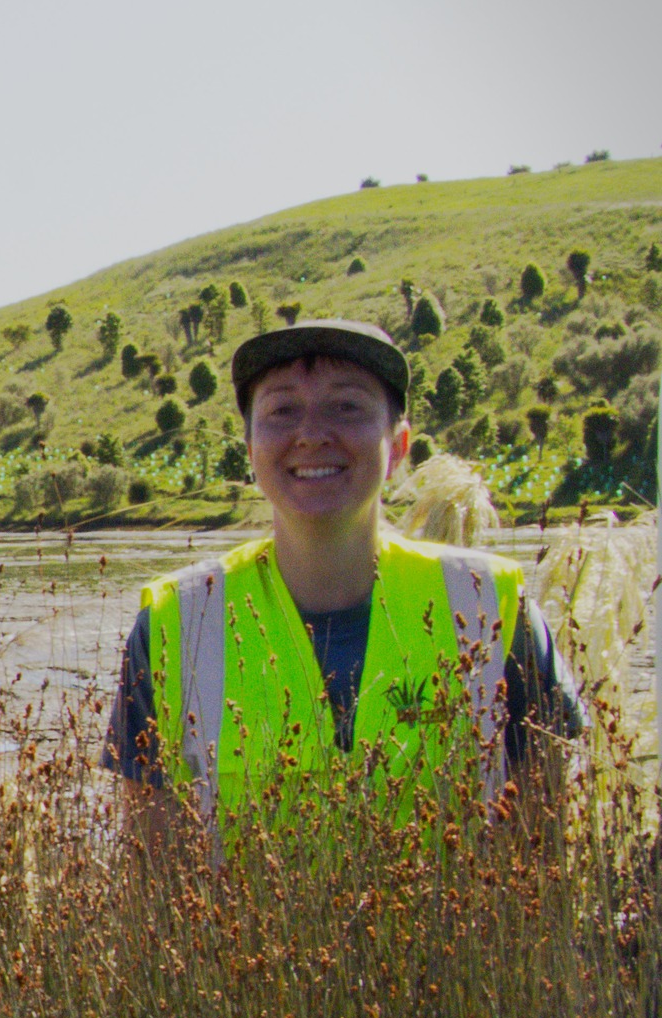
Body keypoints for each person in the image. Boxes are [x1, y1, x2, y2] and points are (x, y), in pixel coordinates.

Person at [104, 320, 581, 848]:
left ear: (398, 446)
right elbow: (155, 885)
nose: (311, 433)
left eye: (346, 407)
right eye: (282, 410)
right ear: (249, 447)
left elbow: (549, 859)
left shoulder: (493, 605)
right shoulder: (174, 624)